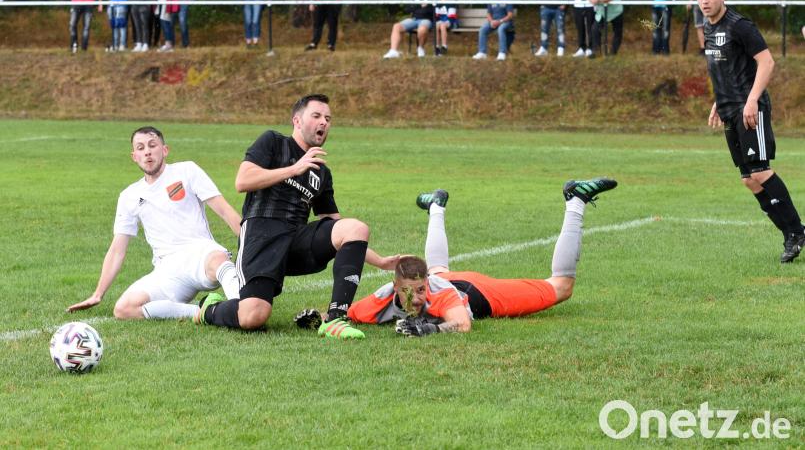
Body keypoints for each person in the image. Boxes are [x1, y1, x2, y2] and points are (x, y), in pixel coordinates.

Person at [295, 178, 618, 336]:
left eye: (420, 291)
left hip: (478, 293)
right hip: (443, 277)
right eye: (409, 291)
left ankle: (575, 200)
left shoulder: (441, 295)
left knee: (561, 287)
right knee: (438, 269)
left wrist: (432, 330)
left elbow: (462, 324)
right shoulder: (382, 300)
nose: (416, 299)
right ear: (395, 289)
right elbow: (346, 315)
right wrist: (316, 320)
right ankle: (436, 205)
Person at [194, 94, 397, 339]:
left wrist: (383, 262)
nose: (324, 122)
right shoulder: (273, 142)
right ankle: (210, 309)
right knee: (253, 316)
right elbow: (242, 181)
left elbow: (339, 229)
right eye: (317, 116)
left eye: (328, 119)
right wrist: (295, 168)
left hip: (296, 241)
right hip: (262, 237)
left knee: (355, 227)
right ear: (297, 121)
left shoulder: (321, 172)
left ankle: (335, 319)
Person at [67, 127, 243, 320]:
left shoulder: (187, 171)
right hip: (167, 269)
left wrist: (251, 245)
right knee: (124, 309)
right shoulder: (129, 196)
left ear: (164, 150)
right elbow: (117, 249)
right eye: (140, 148)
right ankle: (205, 312)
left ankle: (241, 309)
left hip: (200, 254)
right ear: (134, 156)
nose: (147, 151)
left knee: (220, 261)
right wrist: (97, 294)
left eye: (152, 145)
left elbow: (225, 211)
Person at [699, 0, 805, 263]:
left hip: (749, 111)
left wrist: (751, 99)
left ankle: (796, 231)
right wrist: (718, 100)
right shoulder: (708, 26)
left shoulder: (740, 25)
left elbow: (767, 62)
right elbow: (728, 69)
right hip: (729, 110)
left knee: (760, 171)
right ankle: (792, 233)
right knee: (748, 179)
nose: (704, 1)